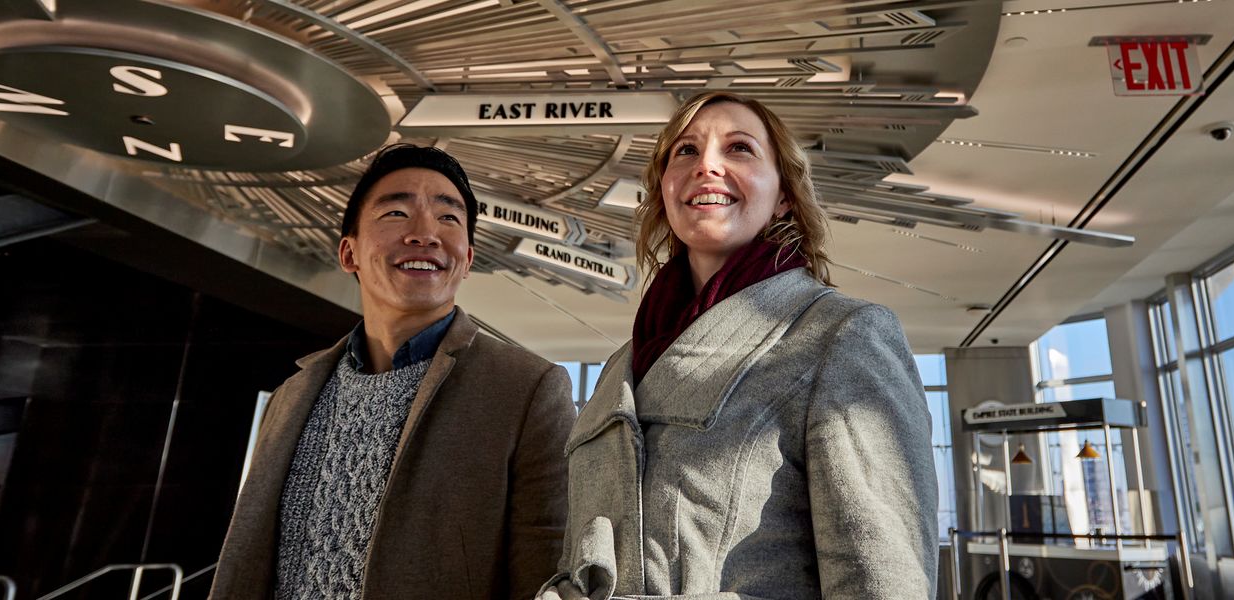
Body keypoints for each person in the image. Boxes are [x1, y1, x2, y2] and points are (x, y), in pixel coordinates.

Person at [539, 92, 938, 599]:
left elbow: (883, 578)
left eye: (740, 149)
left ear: (784, 194)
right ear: (664, 189)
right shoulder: (623, 363)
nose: (706, 165)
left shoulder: (840, 334)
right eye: (685, 151)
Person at [209, 144, 575, 600]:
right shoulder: (293, 393)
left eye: (449, 218)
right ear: (349, 253)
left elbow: (546, 572)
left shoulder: (527, 389)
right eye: (396, 213)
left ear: (468, 258)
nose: (425, 233)